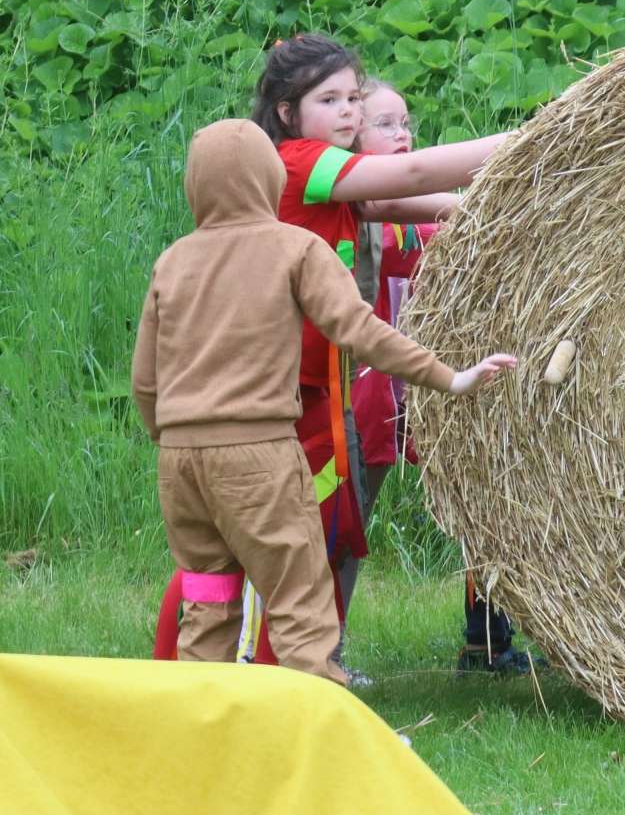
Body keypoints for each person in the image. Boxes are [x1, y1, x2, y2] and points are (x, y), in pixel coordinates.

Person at [132, 119, 516, 685]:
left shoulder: (173, 260)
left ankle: (198, 726)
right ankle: (316, 727)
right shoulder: (295, 248)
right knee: (300, 605)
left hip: (180, 462)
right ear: (269, 179)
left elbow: (145, 380)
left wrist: (172, 437)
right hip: (257, 455)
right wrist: (449, 378)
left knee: (208, 602)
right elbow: (362, 332)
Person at [249, 34, 513, 681]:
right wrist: (543, 139)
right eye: (329, 99)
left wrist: (507, 201)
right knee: (300, 526)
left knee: (333, 521)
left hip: (323, 384)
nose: (347, 111)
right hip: (286, 386)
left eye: (351, 98)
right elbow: (414, 175)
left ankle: (309, 662)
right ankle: (269, 661)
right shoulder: (300, 160)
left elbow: (401, 200)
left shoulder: (335, 179)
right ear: (286, 111)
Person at [346, 78, 536, 675]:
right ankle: (321, 647)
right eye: (384, 124)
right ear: (352, 136)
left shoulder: (419, 216)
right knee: (348, 516)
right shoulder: (354, 207)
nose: (401, 134)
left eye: (406, 124)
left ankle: (487, 639)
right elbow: (391, 209)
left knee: (480, 495)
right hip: (371, 385)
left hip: (432, 382)